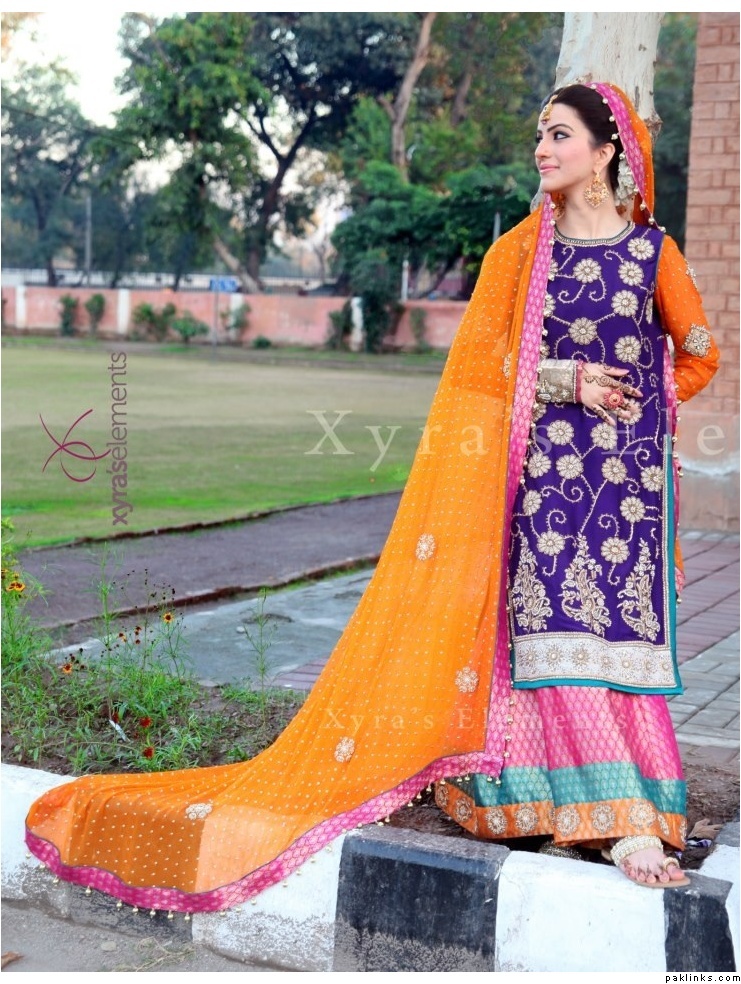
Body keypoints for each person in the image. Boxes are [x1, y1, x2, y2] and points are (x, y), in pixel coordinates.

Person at [25, 82, 718, 912]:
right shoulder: (518, 255)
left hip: (626, 487)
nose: (542, 148)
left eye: (560, 134)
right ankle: (616, 819)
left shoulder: (652, 254)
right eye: (538, 133)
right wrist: (566, 380)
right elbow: (475, 371)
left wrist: (641, 401)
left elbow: (698, 354)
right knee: (548, 633)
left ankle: (607, 799)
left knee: (615, 640)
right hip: (535, 480)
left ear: (607, 150)